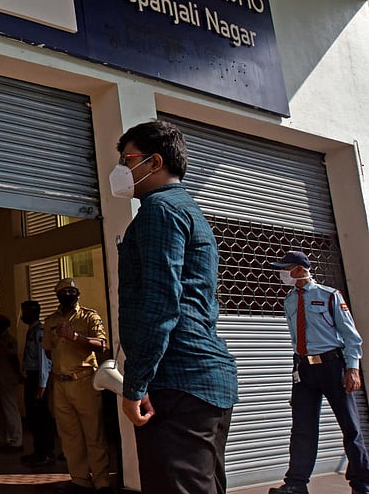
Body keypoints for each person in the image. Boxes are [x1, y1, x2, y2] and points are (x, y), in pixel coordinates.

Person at [114, 119, 238, 494]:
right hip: (202, 382)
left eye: (126, 159)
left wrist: (135, 385)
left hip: (177, 383)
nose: (120, 169)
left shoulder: (160, 211)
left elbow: (160, 302)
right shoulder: (189, 210)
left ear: (154, 162)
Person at [265, 250, 369, 494]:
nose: (282, 273)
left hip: (333, 367)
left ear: (300, 269)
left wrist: (352, 369)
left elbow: (351, 337)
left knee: (350, 428)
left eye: (285, 268)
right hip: (303, 370)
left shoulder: (330, 296)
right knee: (302, 428)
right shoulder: (289, 300)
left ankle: (362, 484)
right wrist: (296, 369)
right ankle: (296, 484)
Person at [43, 278, 110, 494]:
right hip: (60, 382)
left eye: (72, 291)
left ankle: (101, 481)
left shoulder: (89, 316)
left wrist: (75, 337)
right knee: (69, 435)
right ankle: (80, 479)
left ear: (78, 294)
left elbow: (102, 344)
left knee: (93, 433)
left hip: (83, 380)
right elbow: (48, 349)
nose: (68, 294)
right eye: (64, 291)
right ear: (57, 295)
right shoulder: (50, 320)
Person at [19, 300, 55, 468]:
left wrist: (42, 383)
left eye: (25, 312)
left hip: (38, 378)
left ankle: (46, 452)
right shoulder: (31, 331)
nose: (23, 315)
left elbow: (43, 359)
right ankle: (38, 451)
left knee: (41, 417)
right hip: (31, 376)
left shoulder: (39, 332)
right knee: (32, 417)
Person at [0, 313, 24, 452]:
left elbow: (13, 359)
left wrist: (18, 375)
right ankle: (4, 440)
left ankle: (16, 440)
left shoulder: (8, 340)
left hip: (7, 379)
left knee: (9, 410)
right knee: (0, 411)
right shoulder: (0, 341)